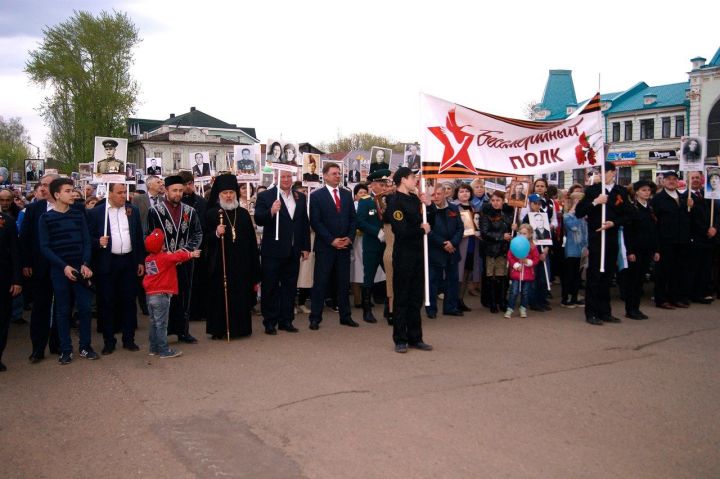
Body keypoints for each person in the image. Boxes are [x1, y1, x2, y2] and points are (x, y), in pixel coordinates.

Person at [38, 178, 96, 364]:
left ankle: (86, 347)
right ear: (57, 194)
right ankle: (65, 350)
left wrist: (86, 263)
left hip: (81, 270)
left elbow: (87, 241)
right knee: (63, 311)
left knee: (85, 309)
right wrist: (63, 266)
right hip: (60, 271)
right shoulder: (45, 218)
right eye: (68, 191)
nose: (72, 194)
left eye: (73, 190)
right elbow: (45, 247)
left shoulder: (79, 215)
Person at [87, 183, 145, 354]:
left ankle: (129, 339)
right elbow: (87, 238)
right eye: (119, 192)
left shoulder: (131, 211)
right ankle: (109, 340)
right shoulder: (97, 213)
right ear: (109, 193)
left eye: (124, 192)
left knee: (129, 301)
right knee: (107, 302)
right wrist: (98, 242)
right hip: (107, 262)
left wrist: (140, 261)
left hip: (128, 261)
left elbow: (138, 237)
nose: (123, 196)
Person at [147, 175, 203, 343]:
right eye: (174, 190)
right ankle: (162, 334)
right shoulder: (155, 211)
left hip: (185, 261)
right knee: (163, 297)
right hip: (164, 263)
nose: (178, 194)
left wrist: (184, 251)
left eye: (180, 190)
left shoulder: (190, 211)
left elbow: (197, 233)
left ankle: (183, 331)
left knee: (184, 295)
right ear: (166, 190)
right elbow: (149, 235)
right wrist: (163, 252)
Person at [575, 162, 632, 325]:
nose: (601, 175)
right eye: (599, 172)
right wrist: (596, 202)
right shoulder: (593, 190)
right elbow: (579, 212)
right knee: (595, 275)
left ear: (613, 173)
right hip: (596, 236)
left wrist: (614, 223)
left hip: (612, 236)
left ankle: (605, 311)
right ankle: (591, 312)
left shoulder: (620, 191)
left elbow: (629, 215)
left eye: (605, 172)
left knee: (607, 275)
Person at [204, 174, 261, 339]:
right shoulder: (212, 214)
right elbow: (204, 239)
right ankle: (219, 329)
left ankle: (241, 328)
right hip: (220, 264)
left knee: (241, 296)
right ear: (218, 195)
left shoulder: (243, 214)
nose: (228, 196)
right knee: (220, 297)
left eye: (231, 192)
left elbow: (251, 242)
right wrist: (216, 233)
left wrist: (254, 268)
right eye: (224, 193)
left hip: (241, 265)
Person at [255, 171, 310, 334]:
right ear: (276, 179)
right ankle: (270, 322)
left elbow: (303, 223)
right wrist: (271, 211)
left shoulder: (300, 197)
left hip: (293, 251)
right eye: (282, 177)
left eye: (288, 177)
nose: (286, 180)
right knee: (270, 287)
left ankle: (286, 320)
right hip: (273, 251)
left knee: (290, 287)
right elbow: (259, 218)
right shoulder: (266, 196)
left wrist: (305, 246)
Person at [385, 167, 434, 353]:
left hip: (418, 254)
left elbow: (431, 222)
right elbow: (401, 230)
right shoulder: (394, 201)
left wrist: (429, 205)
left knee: (416, 298)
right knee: (402, 297)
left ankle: (416, 337)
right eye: (413, 177)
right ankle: (400, 338)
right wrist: (422, 230)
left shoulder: (415, 199)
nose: (416, 180)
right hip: (403, 255)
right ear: (403, 179)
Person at [308, 162, 358, 330]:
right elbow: (316, 222)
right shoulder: (316, 196)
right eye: (334, 173)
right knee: (321, 283)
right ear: (325, 176)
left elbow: (353, 219)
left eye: (339, 173)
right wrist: (331, 240)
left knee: (343, 283)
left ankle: (346, 316)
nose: (338, 176)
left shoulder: (346, 194)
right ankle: (315, 318)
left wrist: (349, 238)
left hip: (344, 246)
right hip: (326, 247)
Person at [20, 174, 61, 363]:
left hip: (63, 266)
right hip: (40, 267)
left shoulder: (69, 208)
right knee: (40, 309)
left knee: (62, 307)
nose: (43, 188)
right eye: (41, 185)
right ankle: (38, 348)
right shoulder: (33, 209)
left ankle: (58, 344)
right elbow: (26, 238)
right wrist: (26, 262)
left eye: (47, 185)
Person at [143, 228, 199, 358]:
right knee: (162, 324)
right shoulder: (165, 257)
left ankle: (154, 347)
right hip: (162, 295)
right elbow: (177, 257)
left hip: (150, 294)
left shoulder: (148, 259)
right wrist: (191, 254)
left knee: (153, 323)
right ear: (160, 246)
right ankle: (163, 350)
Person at [650, 171, 692, 309]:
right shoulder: (658, 199)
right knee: (663, 271)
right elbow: (654, 221)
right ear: (663, 181)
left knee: (678, 271)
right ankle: (661, 299)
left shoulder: (684, 198)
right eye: (668, 179)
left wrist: (690, 207)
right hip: (665, 240)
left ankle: (676, 297)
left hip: (681, 240)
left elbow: (687, 219)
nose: (672, 181)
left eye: (674, 179)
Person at [356, 170, 391, 323]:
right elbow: (360, 222)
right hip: (372, 244)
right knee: (368, 277)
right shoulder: (365, 201)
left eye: (385, 184)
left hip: (388, 245)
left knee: (390, 276)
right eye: (381, 184)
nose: (384, 187)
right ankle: (367, 310)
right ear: (373, 185)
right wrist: (377, 232)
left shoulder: (390, 200)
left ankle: (389, 309)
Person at [622, 180, 659, 319]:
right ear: (636, 192)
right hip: (635, 250)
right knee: (633, 280)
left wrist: (656, 250)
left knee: (640, 280)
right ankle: (630, 309)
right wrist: (630, 251)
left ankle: (636, 308)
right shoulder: (632, 208)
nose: (647, 193)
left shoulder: (650, 208)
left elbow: (654, 230)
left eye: (648, 190)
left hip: (647, 248)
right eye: (643, 190)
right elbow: (628, 232)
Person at [426, 185, 463, 318]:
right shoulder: (427, 211)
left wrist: (452, 242)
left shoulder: (453, 208)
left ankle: (450, 307)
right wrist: (443, 244)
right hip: (436, 251)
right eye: (433, 195)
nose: (435, 197)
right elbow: (429, 231)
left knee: (452, 280)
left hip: (452, 250)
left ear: (444, 194)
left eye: (438, 194)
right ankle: (431, 310)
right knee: (432, 281)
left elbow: (460, 228)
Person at [179, 170, 208, 322]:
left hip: (199, 246)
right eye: (186, 184)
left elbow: (205, 223)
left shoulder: (201, 202)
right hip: (182, 247)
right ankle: (185, 310)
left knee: (199, 279)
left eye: (191, 183)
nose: (189, 187)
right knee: (184, 280)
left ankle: (199, 310)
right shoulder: (177, 202)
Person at [687, 171, 718, 304]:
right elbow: (690, 220)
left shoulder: (710, 195)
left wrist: (715, 227)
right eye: (692, 178)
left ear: (702, 179)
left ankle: (704, 291)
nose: (695, 180)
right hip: (694, 238)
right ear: (688, 180)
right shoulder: (685, 197)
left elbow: (717, 214)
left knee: (706, 267)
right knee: (694, 268)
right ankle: (693, 293)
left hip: (710, 238)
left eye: (697, 177)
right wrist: (691, 207)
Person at [481, 191, 513, 313]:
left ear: (503, 201)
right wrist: (501, 236)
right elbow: (485, 233)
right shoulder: (486, 214)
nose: (495, 203)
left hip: (504, 250)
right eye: (493, 200)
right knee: (491, 276)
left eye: (498, 200)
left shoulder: (508, 213)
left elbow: (511, 229)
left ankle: (502, 301)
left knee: (502, 276)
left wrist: (514, 227)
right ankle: (492, 302)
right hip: (491, 250)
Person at [0, 205, 22, 371]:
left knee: (2, 320)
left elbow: (15, 252)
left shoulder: (7, 221)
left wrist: (16, 280)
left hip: (4, 280)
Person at [505, 224, 540, 319]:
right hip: (516, 273)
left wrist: (528, 262)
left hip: (528, 274)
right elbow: (510, 256)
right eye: (520, 233)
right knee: (514, 291)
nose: (522, 235)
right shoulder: (515, 244)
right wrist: (516, 265)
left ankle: (523, 308)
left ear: (530, 234)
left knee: (525, 292)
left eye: (525, 233)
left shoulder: (532, 247)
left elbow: (536, 258)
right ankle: (510, 309)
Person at [560, 191, 587, 308]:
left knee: (577, 276)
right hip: (571, 250)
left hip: (582, 249)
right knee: (569, 276)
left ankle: (575, 298)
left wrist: (587, 247)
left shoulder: (585, 217)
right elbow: (573, 226)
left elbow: (586, 233)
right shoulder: (567, 216)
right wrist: (575, 208)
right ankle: (565, 299)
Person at [453, 184, 477, 312]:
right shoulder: (454, 207)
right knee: (458, 273)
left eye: (467, 191)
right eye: (461, 191)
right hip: (460, 243)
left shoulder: (473, 207)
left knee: (467, 271)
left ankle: (461, 299)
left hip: (472, 242)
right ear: (457, 194)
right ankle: (455, 300)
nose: (464, 194)